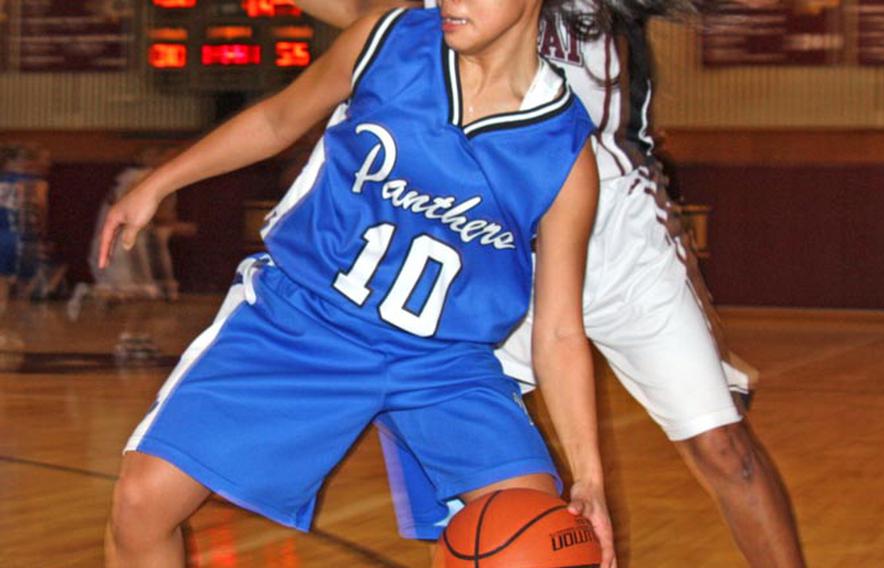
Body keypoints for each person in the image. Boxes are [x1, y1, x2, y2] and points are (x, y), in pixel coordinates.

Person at [100, 2, 616, 567]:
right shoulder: (388, 39)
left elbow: (561, 329)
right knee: (141, 502)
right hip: (304, 323)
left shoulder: (564, 151)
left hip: (445, 364)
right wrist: (160, 182)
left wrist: (588, 476)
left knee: (536, 547)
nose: (452, 2)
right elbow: (277, 121)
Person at [297, 0, 805, 566]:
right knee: (482, 511)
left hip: (621, 242)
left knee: (723, 450)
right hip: (490, 255)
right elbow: (353, 11)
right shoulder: (451, 11)